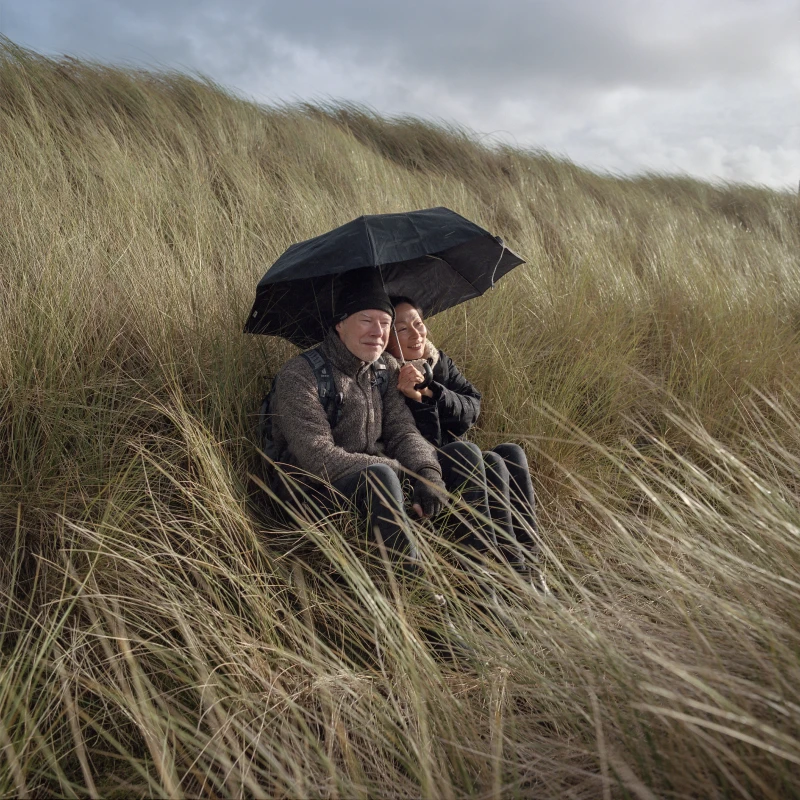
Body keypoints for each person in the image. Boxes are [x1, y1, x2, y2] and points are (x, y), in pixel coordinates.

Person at [267, 271, 447, 578]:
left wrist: (428, 474)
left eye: (385, 322)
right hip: (312, 493)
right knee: (380, 476)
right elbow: (317, 457)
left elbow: (402, 431)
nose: (378, 332)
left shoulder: (385, 368)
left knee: (463, 457)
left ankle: (492, 578)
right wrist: (396, 470)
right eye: (366, 319)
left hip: (379, 479)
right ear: (340, 324)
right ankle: (419, 594)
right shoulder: (299, 376)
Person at [386, 296, 547, 591]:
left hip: (458, 454)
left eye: (418, 324)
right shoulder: (387, 377)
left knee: (509, 453)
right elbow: (425, 444)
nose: (416, 333)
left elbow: (471, 409)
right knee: (471, 454)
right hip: (425, 468)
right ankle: (488, 576)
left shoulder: (438, 361)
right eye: (402, 329)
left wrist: (433, 391)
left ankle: (528, 566)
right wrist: (417, 400)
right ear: (386, 338)